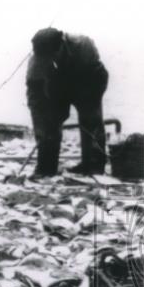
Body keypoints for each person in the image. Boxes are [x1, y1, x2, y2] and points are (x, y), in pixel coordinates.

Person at [26, 27, 110, 178]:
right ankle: (46, 167)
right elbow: (35, 96)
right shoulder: (36, 63)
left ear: (61, 45)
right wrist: (46, 121)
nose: (48, 61)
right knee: (47, 124)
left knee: (90, 120)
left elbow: (94, 81)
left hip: (88, 80)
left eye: (51, 56)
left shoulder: (83, 45)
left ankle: (93, 166)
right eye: (45, 59)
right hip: (56, 83)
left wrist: (80, 104)